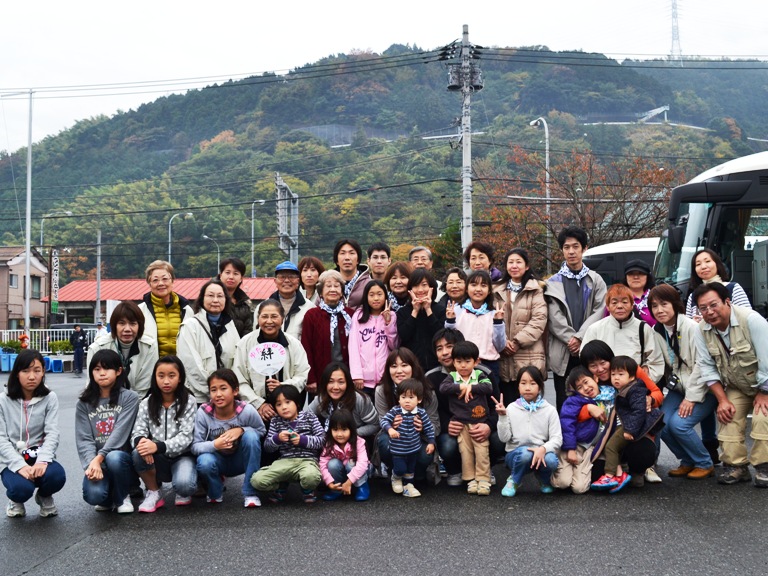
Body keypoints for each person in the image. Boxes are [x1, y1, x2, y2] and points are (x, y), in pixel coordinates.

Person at [692, 282, 768, 487]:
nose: (709, 312)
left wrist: (763, 392)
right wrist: (722, 399)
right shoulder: (701, 330)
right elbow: (707, 367)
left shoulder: (751, 320)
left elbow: (767, 360)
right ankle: (736, 466)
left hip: (765, 384)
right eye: (703, 308)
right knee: (727, 416)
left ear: (727, 301)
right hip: (737, 385)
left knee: (763, 417)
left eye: (714, 305)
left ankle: (764, 466)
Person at [649, 284, 717, 479]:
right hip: (679, 387)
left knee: (679, 425)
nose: (659, 310)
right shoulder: (658, 330)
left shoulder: (692, 327)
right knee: (660, 422)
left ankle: (704, 462)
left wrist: (692, 398)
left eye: (664, 304)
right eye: (654, 306)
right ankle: (687, 460)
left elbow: (702, 366)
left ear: (675, 304)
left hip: (705, 388)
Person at [427, 328, 504, 488]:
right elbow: (432, 411)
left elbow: (496, 405)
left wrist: (488, 425)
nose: (445, 352)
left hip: (480, 421)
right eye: (439, 348)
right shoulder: (431, 378)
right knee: (448, 444)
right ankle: (455, 470)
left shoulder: (483, 374)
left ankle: (485, 470)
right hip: (455, 426)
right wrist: (447, 423)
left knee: (498, 439)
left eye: (449, 346)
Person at [579, 340, 662, 488]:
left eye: (603, 362)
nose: (600, 369)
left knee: (643, 452)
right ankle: (618, 469)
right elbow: (572, 408)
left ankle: (638, 470)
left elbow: (657, 393)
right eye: (593, 366)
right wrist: (589, 409)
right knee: (596, 474)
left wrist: (650, 399)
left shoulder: (627, 368)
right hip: (602, 436)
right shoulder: (586, 381)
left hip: (631, 429)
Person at [546, 226, 607, 412]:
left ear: (584, 248)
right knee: (565, 404)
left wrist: (580, 337)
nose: (571, 251)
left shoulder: (595, 280)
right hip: (562, 350)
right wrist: (571, 339)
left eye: (575, 246)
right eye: (566, 247)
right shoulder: (553, 282)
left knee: (592, 399)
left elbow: (601, 310)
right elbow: (553, 316)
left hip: (588, 349)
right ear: (562, 250)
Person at [1, 350, 66, 518]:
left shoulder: (50, 397)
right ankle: (15, 501)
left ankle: (44, 496)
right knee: (21, 489)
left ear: (43, 371)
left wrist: (43, 461)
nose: (32, 376)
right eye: (26, 371)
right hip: (11, 460)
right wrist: (19, 465)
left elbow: (52, 433)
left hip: (39, 456)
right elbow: (1, 438)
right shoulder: (3, 400)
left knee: (57, 476)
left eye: (37, 370)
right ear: (16, 373)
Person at [75, 350, 140, 513]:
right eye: (96, 369)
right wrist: (92, 464)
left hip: (122, 460)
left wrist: (99, 457)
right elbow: (84, 439)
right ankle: (109, 494)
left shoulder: (130, 398)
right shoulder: (84, 403)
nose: (102, 373)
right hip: (98, 463)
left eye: (107, 368)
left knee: (114, 457)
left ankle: (123, 495)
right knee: (95, 496)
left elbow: (120, 433)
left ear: (118, 371)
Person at [131, 356, 197, 512]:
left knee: (185, 486)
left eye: (171, 376)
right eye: (161, 376)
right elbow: (137, 431)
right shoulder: (147, 402)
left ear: (180, 377)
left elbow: (186, 436)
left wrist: (157, 446)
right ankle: (154, 491)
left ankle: (182, 488)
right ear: (155, 377)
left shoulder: (189, 401)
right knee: (137, 452)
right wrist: (143, 444)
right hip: (157, 457)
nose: (166, 381)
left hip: (183, 456)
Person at [191, 369, 265, 507]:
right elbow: (195, 446)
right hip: (217, 460)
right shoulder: (203, 413)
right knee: (204, 461)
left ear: (235, 391)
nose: (218, 394)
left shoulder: (247, 410)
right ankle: (215, 490)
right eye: (213, 390)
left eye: (223, 388)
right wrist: (215, 444)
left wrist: (241, 429)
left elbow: (261, 431)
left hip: (240, 459)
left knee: (251, 436)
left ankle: (250, 492)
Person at [231, 299, 309, 422]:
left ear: (282, 318)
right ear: (258, 318)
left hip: (287, 407)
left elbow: (302, 374)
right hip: (255, 410)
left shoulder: (294, 344)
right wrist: (259, 404)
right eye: (264, 317)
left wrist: (284, 387)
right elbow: (239, 379)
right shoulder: (245, 344)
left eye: (274, 316)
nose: (269, 321)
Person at [375, 348, 441, 483]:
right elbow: (381, 421)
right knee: (384, 442)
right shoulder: (381, 391)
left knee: (424, 457)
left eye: (404, 365)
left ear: (413, 367)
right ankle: (394, 471)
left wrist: (423, 427)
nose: (399, 371)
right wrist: (390, 426)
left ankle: (417, 473)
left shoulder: (427, 392)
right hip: (395, 438)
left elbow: (436, 426)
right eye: (394, 366)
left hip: (418, 439)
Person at [494, 366, 562, 497]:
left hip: (540, 452)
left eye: (533, 383)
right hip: (516, 454)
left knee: (552, 460)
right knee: (525, 454)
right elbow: (504, 438)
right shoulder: (512, 408)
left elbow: (557, 438)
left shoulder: (549, 410)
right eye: (523, 383)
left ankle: (543, 478)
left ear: (540, 387)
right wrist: (502, 416)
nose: (527, 387)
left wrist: (543, 448)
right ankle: (514, 480)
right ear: (518, 386)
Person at [250, 385, 324, 504]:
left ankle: (307, 489)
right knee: (257, 481)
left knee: (311, 477)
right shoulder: (276, 421)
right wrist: (277, 439)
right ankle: (280, 486)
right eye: (279, 404)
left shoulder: (309, 416)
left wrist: (302, 440)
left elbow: (322, 440)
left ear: (297, 403)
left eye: (288, 402)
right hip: (284, 461)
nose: (284, 407)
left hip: (307, 460)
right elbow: (268, 447)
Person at [581, 284, 665, 385]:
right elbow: (585, 359)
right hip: (603, 388)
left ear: (632, 305)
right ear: (607, 306)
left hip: (635, 386)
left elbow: (656, 361)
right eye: (614, 302)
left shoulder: (643, 329)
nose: (620, 306)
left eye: (625, 302)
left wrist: (643, 381)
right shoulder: (595, 329)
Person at [438, 341, 493, 496]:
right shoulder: (452, 377)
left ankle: (483, 479)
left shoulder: (479, 375)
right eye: (459, 361)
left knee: (482, 451)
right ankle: (470, 479)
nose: (463, 366)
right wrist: (461, 387)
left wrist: (471, 387)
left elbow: (488, 387)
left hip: (479, 421)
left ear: (476, 362)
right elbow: (443, 388)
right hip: (461, 423)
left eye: (467, 361)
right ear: (453, 362)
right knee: (466, 451)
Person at [493, 248, 547, 402]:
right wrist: (502, 342)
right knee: (508, 408)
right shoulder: (496, 291)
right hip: (503, 357)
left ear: (527, 266)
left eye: (518, 262)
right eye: (510, 262)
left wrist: (516, 342)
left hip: (529, 356)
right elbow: (491, 319)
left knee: (530, 406)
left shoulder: (536, 289)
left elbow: (539, 320)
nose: (514, 266)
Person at [176, 279, 240, 405]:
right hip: (198, 398)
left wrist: (227, 392)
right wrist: (214, 392)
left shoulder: (230, 325)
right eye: (210, 295)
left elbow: (237, 361)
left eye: (220, 296)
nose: (215, 300)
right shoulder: (189, 326)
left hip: (227, 399)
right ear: (201, 299)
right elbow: (191, 366)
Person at [380, 378, 436, 498]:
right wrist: (390, 429)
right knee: (400, 468)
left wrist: (431, 442)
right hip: (398, 449)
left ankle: (409, 485)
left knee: (410, 470)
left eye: (411, 397)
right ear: (399, 398)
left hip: (414, 448)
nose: (407, 401)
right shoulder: (396, 411)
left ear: (419, 399)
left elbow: (429, 428)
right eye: (403, 397)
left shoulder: (421, 413)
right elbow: (384, 421)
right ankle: (395, 477)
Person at [445, 269, 506, 381]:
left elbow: (500, 346)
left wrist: (498, 323)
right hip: (463, 364)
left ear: (489, 291)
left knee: (489, 397)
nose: (478, 289)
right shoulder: (457, 311)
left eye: (483, 285)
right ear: (467, 289)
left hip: (489, 365)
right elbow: (449, 340)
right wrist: (450, 320)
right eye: (473, 285)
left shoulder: (494, 314)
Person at [551, 367, 604, 494]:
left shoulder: (607, 397)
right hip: (573, 445)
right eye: (579, 387)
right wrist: (570, 449)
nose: (585, 388)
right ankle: (552, 473)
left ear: (595, 378)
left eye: (586, 382)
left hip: (588, 449)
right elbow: (567, 424)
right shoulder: (573, 401)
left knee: (579, 489)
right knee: (562, 483)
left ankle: (574, 474)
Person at [87, 301, 155, 399]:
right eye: (122, 323)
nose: (127, 329)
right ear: (114, 326)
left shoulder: (149, 346)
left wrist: (129, 407)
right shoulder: (97, 348)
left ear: (140, 326)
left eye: (132, 323)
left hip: (138, 403)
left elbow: (143, 387)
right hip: (104, 405)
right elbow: (92, 385)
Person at [301, 270, 354, 396]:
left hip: (346, 376)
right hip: (321, 377)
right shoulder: (312, 315)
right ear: (321, 292)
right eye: (328, 286)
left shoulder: (350, 314)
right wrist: (311, 378)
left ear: (342, 291)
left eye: (337, 286)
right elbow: (306, 347)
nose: (333, 289)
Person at [348, 279, 399, 398]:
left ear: (385, 296)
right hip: (363, 380)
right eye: (371, 295)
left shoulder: (392, 316)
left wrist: (388, 323)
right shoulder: (359, 316)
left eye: (379, 294)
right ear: (366, 297)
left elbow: (394, 346)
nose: (376, 298)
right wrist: (357, 375)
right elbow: (353, 346)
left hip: (385, 379)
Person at [308, 362, 379, 442]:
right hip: (328, 441)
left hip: (356, 441)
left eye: (341, 382)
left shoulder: (360, 400)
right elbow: (304, 418)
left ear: (348, 383)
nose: (335, 387)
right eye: (331, 381)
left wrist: (351, 434)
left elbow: (375, 425)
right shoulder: (321, 399)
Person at [138, 260, 193, 359]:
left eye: (165, 279)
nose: (160, 283)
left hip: (182, 368)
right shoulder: (140, 311)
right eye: (155, 280)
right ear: (149, 283)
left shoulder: (186, 310)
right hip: (151, 369)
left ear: (172, 281)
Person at [396, 268, 446, 372]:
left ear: (431, 287)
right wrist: (414, 311)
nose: (420, 290)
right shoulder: (402, 312)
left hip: (437, 366)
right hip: (411, 367)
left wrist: (428, 310)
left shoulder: (440, 310)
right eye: (416, 285)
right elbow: (404, 335)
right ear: (410, 289)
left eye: (424, 285)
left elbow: (441, 336)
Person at [319, 408, 371, 502]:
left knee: (351, 463)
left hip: (357, 474)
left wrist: (349, 482)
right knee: (332, 464)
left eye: (344, 429)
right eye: (335, 429)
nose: (339, 434)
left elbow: (363, 464)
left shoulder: (358, 442)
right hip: (342, 474)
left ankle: (361, 486)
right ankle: (337, 489)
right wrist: (329, 482)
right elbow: (322, 463)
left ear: (351, 429)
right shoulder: (329, 444)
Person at [686, 248, 751, 320]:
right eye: (698, 264)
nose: (703, 267)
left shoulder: (733, 288)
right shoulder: (692, 297)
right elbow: (688, 327)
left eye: (707, 261)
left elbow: (748, 317)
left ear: (717, 264)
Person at [269, 260, 315, 341]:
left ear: (298, 281)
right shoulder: (264, 307)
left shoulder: (310, 308)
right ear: (275, 281)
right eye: (282, 277)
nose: (287, 280)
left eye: (291, 277)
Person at [218, 257, 256, 337]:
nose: (231, 277)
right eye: (227, 272)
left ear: (241, 278)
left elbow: (248, 330)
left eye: (236, 273)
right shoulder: (212, 298)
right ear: (221, 275)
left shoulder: (245, 303)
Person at [334, 238, 370, 309]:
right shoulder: (327, 285)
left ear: (358, 260)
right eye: (342, 253)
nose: (347, 258)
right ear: (337, 260)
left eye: (351, 253)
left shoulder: (369, 284)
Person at [620, 259, 657, 327]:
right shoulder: (617, 299)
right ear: (626, 277)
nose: (636, 277)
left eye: (640, 273)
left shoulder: (657, 297)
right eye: (631, 274)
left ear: (647, 277)